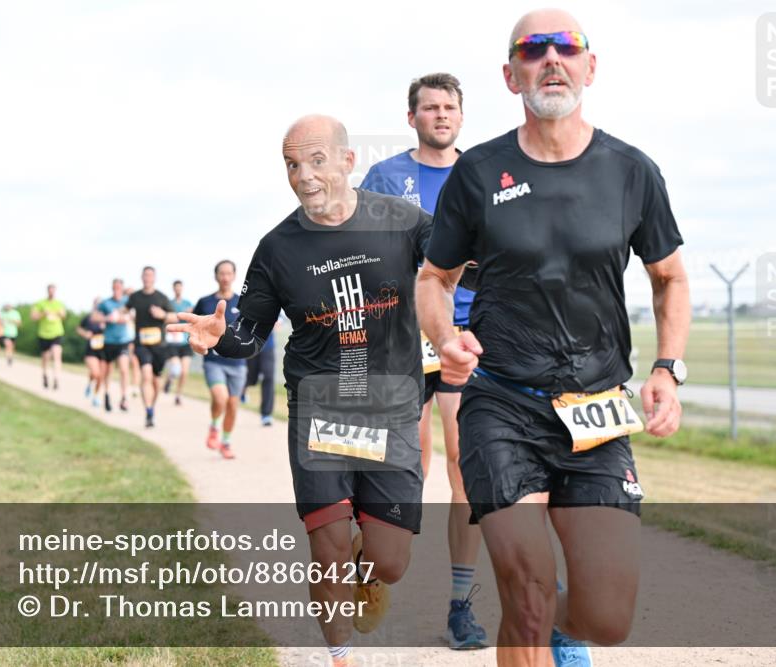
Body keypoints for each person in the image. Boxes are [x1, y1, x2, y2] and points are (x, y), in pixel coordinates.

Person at [417, 9, 691, 667]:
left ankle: (545, 616)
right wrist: (446, 334)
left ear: (590, 67)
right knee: (530, 588)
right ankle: (531, 606)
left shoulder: (631, 171)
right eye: (532, 50)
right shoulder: (480, 172)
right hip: (502, 405)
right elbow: (434, 277)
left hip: (597, 409)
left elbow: (670, 279)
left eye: (565, 47)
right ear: (511, 75)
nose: (550, 59)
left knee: (606, 616)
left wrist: (667, 367)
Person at [170, 115, 432, 667]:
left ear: (346, 161)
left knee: (390, 562)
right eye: (292, 165)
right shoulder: (278, 248)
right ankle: (339, 657)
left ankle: (371, 565)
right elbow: (250, 334)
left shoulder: (404, 222)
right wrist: (222, 337)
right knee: (327, 547)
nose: (303, 176)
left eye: (316, 161)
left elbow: (464, 265)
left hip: (391, 406)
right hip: (320, 410)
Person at [360, 72, 490, 651]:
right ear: (411, 117)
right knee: (408, 463)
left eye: (450, 107)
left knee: (468, 465)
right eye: (430, 107)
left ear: (462, 116)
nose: (441, 115)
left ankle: (461, 604)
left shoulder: (488, 173)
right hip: (402, 337)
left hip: (467, 336)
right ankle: (373, 561)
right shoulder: (386, 177)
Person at [192, 260, 246, 459]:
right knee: (221, 398)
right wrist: (196, 342)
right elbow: (194, 329)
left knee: (232, 404)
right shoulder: (205, 302)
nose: (225, 277)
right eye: (221, 273)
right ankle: (214, 426)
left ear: (234, 276)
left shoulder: (243, 302)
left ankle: (226, 442)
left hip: (238, 363)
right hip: (214, 361)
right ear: (216, 276)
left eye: (228, 273)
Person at [127, 266, 177, 428]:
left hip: (159, 346)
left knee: (156, 381)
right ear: (142, 277)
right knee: (146, 375)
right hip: (141, 344)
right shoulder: (135, 297)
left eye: (150, 275)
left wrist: (163, 315)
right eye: (145, 275)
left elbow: (173, 317)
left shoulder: (161, 298)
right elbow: (124, 310)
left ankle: (152, 407)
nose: (147, 278)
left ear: (154, 278)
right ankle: (148, 411)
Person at [97, 279, 134, 412]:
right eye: (114, 288)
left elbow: (133, 315)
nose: (117, 290)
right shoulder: (106, 303)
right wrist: (107, 319)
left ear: (122, 288)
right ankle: (106, 394)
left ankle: (124, 398)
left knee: (124, 369)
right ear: (112, 288)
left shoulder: (127, 302)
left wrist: (127, 318)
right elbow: (95, 317)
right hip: (108, 341)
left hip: (123, 341)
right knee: (108, 371)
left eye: (119, 288)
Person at [163, 279, 194, 406]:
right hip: (172, 341)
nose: (178, 290)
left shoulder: (188, 303)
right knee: (176, 369)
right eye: (176, 288)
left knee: (184, 371)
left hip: (186, 341)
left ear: (182, 288)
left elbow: (193, 318)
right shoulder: (168, 303)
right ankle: (169, 379)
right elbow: (164, 318)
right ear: (173, 289)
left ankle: (178, 394)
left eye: (180, 287)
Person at [31, 284, 67, 389]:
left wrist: (60, 313)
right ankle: (45, 374)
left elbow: (64, 315)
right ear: (47, 291)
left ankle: (56, 378)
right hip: (44, 334)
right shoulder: (40, 303)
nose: (52, 292)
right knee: (45, 357)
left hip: (57, 333)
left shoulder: (59, 303)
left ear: (55, 291)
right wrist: (43, 313)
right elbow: (33, 317)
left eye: (53, 290)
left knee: (57, 355)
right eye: (50, 290)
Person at [245, 319, 281, 426]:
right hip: (250, 345)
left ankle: (266, 414)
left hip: (268, 346)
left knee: (268, 376)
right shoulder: (247, 302)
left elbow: (280, 321)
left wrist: (277, 323)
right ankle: (242, 391)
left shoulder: (275, 303)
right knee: (251, 378)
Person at [76, 298, 106, 407]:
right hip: (91, 350)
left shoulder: (107, 319)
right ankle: (90, 384)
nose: (98, 306)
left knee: (101, 376)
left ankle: (96, 395)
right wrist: (85, 334)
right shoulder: (89, 318)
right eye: (96, 304)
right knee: (95, 373)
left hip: (104, 350)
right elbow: (78, 328)